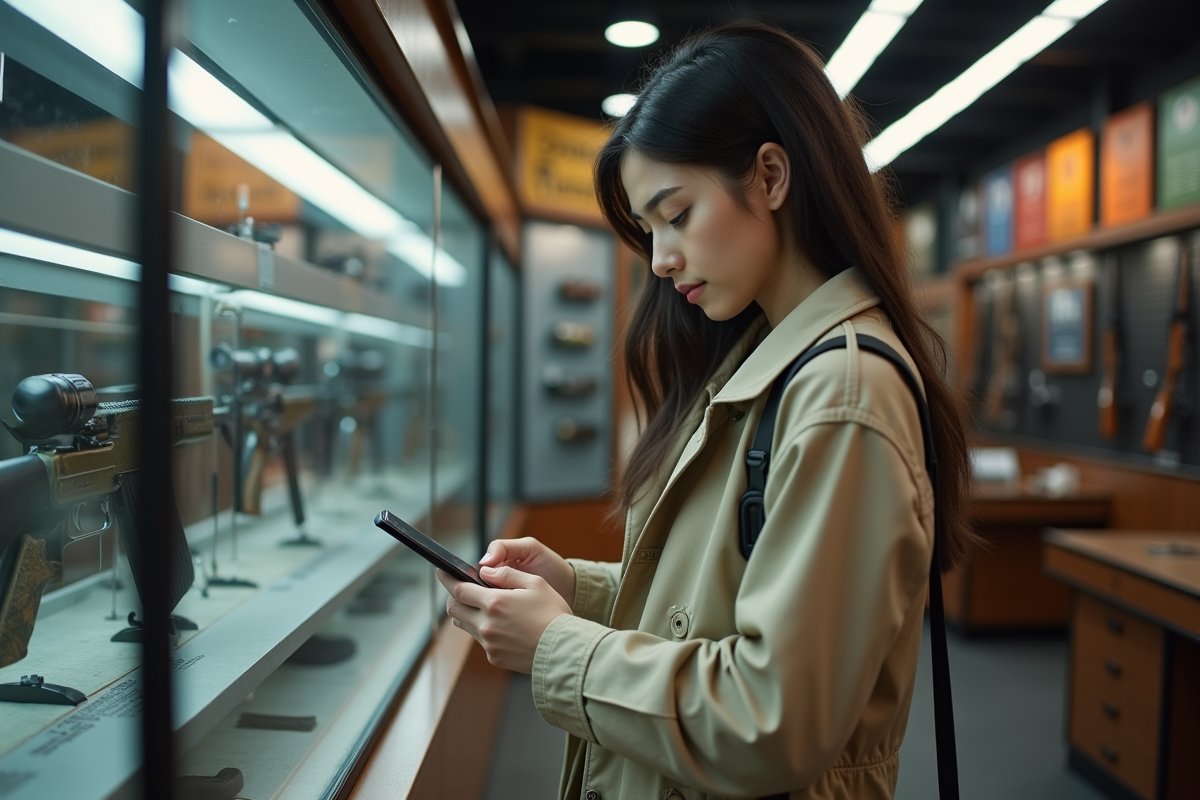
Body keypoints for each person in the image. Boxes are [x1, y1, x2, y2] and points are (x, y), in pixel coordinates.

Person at [436, 20, 974, 800]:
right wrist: (578, 591)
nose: (660, 259)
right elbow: (723, 598)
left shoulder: (839, 392)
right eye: (649, 229)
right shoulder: (763, 359)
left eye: (677, 213)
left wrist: (556, 645)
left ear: (770, 176)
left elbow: (771, 720)